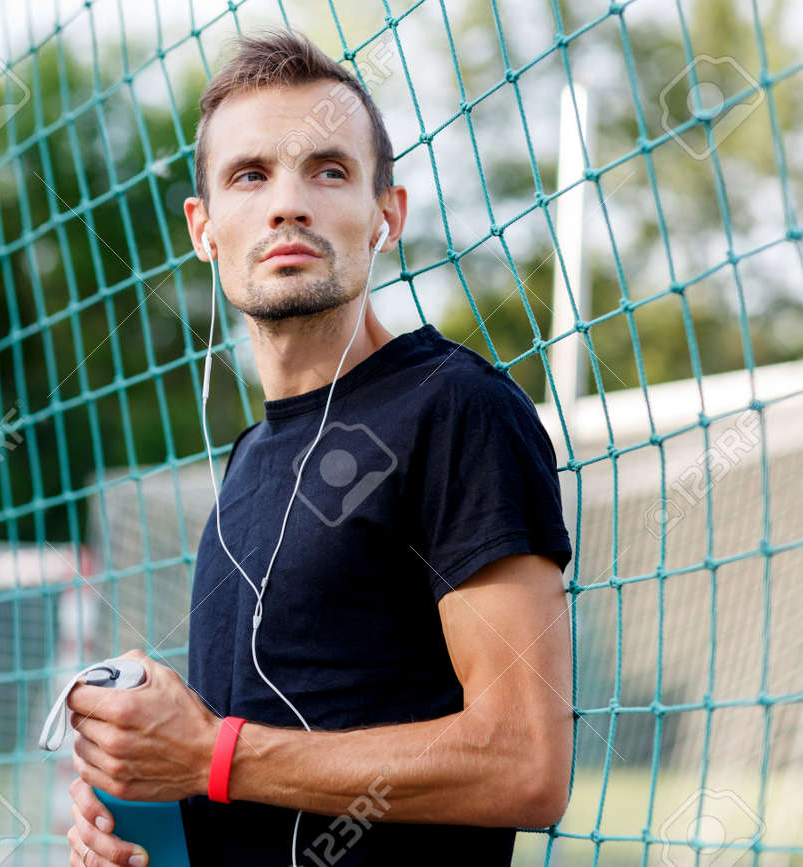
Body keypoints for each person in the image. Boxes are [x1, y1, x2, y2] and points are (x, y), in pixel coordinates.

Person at [63, 28, 573, 867]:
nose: (288, 204)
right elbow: (255, 777)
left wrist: (211, 753)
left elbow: (527, 761)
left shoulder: (458, 409)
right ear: (203, 227)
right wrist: (148, 808)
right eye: (250, 175)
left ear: (386, 215)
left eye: (328, 171)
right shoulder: (246, 461)